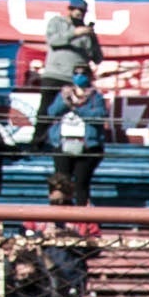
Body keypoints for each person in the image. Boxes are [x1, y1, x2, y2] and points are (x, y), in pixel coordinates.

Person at [36, 77, 109, 205]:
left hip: (87, 145)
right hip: (63, 143)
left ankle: (80, 219)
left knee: (81, 182)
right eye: (76, 73)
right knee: (61, 182)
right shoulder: (63, 94)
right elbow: (52, 112)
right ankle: (60, 217)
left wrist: (79, 108)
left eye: (83, 73)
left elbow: (100, 115)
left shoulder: (95, 97)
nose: (80, 77)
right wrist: (67, 102)